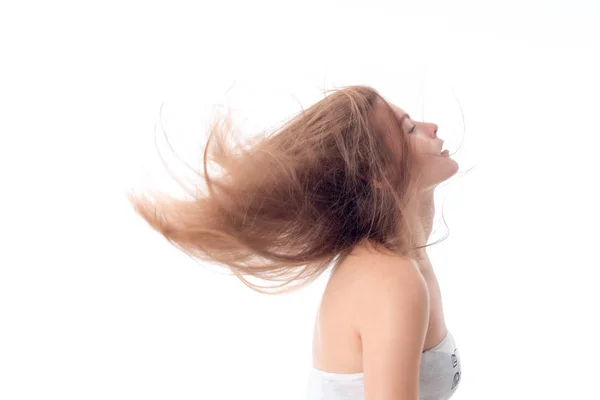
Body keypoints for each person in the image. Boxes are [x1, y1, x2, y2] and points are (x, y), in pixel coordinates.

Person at [129, 85, 463, 400]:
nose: (431, 126)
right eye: (409, 129)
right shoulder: (392, 279)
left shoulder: (397, 259)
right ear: (377, 174)